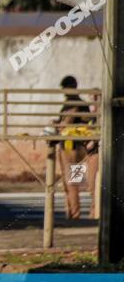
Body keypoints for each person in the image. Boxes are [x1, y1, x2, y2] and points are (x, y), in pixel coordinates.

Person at [53, 75, 96, 219]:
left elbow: (66, 122)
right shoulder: (82, 103)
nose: (64, 92)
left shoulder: (72, 103)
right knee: (73, 182)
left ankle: (73, 215)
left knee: (71, 184)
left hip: (70, 147)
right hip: (80, 148)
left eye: (65, 89)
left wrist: (57, 125)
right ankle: (72, 213)